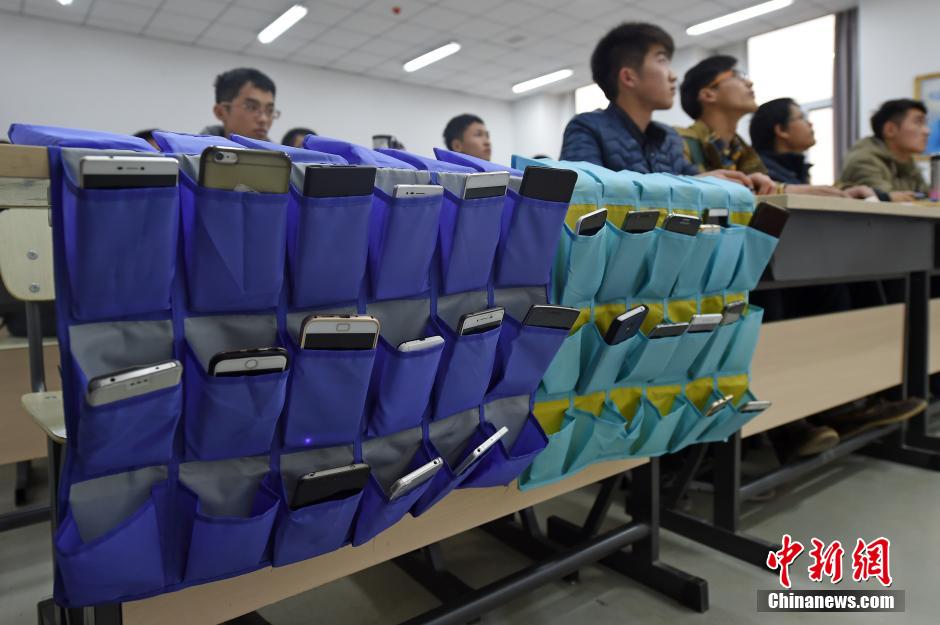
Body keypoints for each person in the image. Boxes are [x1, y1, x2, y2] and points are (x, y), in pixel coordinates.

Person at [559, 23, 752, 189]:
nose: (673, 76)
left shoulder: (668, 138)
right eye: (662, 61)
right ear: (628, 77)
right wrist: (690, 184)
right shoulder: (587, 128)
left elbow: (696, 180)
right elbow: (583, 195)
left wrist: (744, 183)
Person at [675, 55, 774, 194]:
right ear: (708, 94)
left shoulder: (741, 150)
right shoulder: (678, 142)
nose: (749, 83)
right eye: (737, 75)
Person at [749, 99, 874, 198]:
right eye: (801, 117)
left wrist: (843, 192)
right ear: (781, 130)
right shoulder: (762, 171)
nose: (810, 123)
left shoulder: (793, 170)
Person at [839, 99, 930, 202]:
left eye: (925, 124)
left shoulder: (908, 163)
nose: (927, 131)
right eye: (918, 122)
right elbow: (882, 204)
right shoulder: (863, 160)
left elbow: (928, 198)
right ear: (890, 129)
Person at [201, 68, 279, 141]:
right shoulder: (195, 154)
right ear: (220, 112)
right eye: (252, 107)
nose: (263, 119)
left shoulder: (281, 155)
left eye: (270, 110)